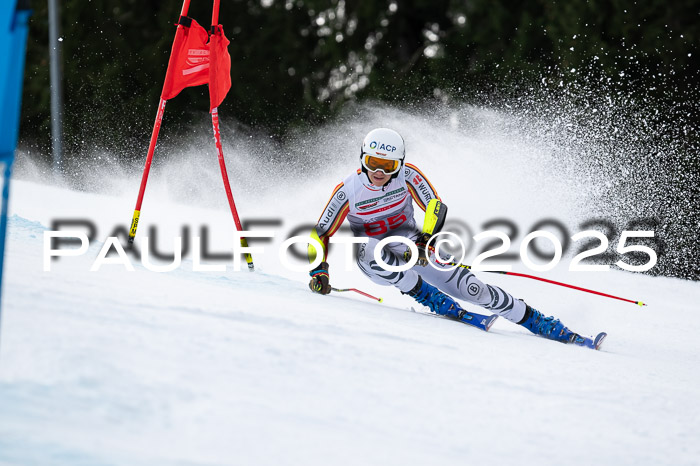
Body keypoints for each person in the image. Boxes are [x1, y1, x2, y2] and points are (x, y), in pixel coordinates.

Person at [307, 127, 600, 347]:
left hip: (411, 247)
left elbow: (435, 205)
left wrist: (426, 240)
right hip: (375, 259)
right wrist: (319, 269)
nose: (379, 172)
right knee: (368, 246)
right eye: (373, 162)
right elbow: (321, 232)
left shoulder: (409, 176)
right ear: (362, 159)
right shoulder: (349, 190)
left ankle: (540, 322)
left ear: (400, 164)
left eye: (388, 166)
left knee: (475, 290)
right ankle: (428, 296)